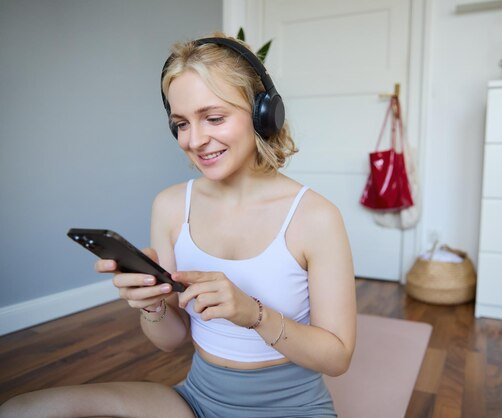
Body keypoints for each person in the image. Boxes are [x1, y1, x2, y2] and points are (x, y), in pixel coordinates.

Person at [0, 33, 356, 418]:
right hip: (198, 400)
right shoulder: (171, 207)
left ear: (262, 112)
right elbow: (170, 341)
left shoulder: (316, 217)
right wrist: (152, 305)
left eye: (214, 118)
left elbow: (336, 358)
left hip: (292, 407)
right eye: (181, 124)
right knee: (22, 410)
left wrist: (253, 313)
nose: (196, 140)